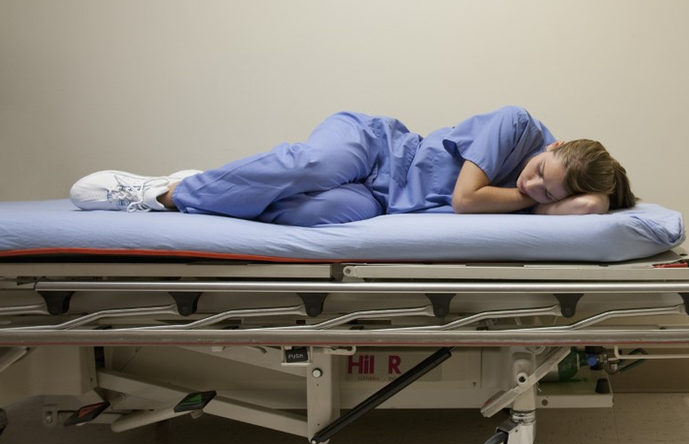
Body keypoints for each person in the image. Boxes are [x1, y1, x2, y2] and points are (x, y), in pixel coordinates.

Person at [70, 106, 637, 226]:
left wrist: (577, 201)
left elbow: (586, 205)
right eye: (539, 169)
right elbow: (466, 200)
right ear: (556, 144)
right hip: (377, 147)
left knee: (310, 213)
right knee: (313, 164)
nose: (531, 183)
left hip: (380, 199)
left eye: (546, 193)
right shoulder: (518, 125)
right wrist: (538, 201)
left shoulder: (545, 193)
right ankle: (165, 193)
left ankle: (211, 186)